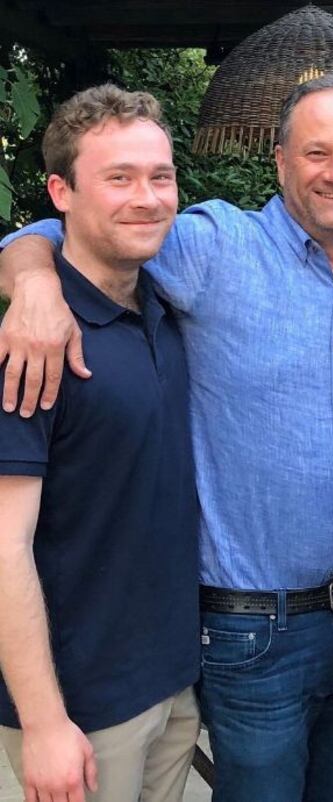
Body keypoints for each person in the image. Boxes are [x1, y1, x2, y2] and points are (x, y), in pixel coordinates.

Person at [0, 74, 333, 802]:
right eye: (316, 152)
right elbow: (85, 227)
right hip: (251, 633)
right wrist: (33, 279)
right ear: (280, 160)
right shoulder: (214, 249)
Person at [0, 85, 200, 802]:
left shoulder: (164, 311)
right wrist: (44, 722)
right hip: (81, 710)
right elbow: (3, 546)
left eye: (160, 176)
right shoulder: (33, 346)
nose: (146, 198)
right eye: (119, 177)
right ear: (61, 192)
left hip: (171, 683)